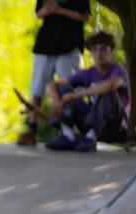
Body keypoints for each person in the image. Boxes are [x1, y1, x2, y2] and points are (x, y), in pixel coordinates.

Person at [17, 0, 91, 146]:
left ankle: (71, 131)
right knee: (37, 90)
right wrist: (49, 10)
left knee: (69, 90)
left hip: (69, 46)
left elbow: (85, 16)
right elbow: (38, 13)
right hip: (45, 45)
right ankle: (32, 129)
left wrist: (60, 10)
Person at [45, 31, 131, 152]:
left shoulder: (118, 70)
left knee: (107, 92)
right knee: (62, 88)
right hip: (91, 124)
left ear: (111, 51)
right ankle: (68, 136)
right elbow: (52, 84)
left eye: (103, 49)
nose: (99, 54)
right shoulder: (90, 72)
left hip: (114, 127)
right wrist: (55, 99)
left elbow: (109, 86)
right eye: (95, 49)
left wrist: (76, 95)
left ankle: (91, 138)